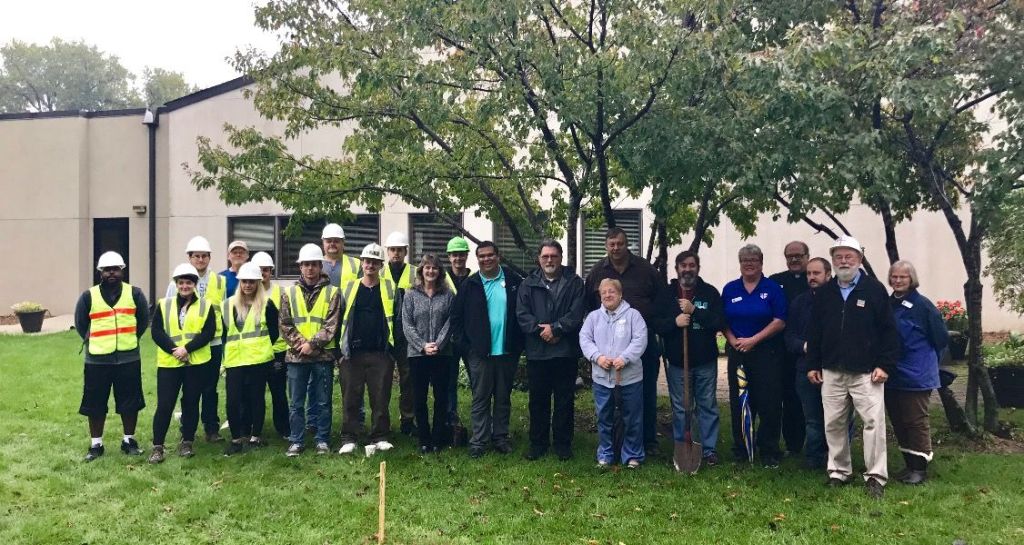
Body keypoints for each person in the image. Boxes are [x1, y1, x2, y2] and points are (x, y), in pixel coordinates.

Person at [806, 235, 901, 499]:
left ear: (859, 258)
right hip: (832, 370)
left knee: (873, 423)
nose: (844, 261)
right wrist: (813, 363)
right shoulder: (825, 292)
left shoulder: (873, 289)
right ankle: (838, 472)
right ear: (833, 261)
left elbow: (889, 331)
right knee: (833, 423)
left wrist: (885, 364)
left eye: (849, 256)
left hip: (867, 372)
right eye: (838, 257)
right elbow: (815, 331)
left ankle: (876, 477)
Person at [584, 228, 663, 456]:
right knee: (608, 401)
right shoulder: (598, 271)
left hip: (642, 342)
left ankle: (647, 442)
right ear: (606, 246)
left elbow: (661, 300)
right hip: (606, 346)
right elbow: (589, 303)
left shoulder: (645, 269)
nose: (616, 248)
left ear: (627, 244)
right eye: (611, 244)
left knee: (643, 395)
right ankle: (614, 445)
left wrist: (656, 326)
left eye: (620, 243)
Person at [74, 251, 150, 462]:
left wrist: (128, 340)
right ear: (100, 272)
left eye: (115, 269)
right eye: (107, 270)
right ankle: (96, 444)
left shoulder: (135, 294)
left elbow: (143, 321)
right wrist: (96, 341)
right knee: (95, 403)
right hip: (97, 359)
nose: (111, 273)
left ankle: (129, 440)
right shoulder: (88, 296)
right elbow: (81, 324)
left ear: (122, 271)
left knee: (130, 401)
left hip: (128, 358)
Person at [451, 241, 524, 458]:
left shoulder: (513, 281)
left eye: (490, 255)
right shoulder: (470, 285)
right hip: (480, 353)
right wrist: (467, 348)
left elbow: (523, 312)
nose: (486, 259)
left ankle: (500, 437)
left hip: (507, 351)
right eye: (481, 256)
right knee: (480, 398)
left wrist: (518, 344)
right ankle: (479, 440)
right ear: (477, 259)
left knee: (503, 397)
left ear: (498, 256)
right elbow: (456, 319)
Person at [517, 239, 586, 461]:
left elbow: (576, 313)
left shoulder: (574, 282)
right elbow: (522, 314)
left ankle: (563, 444)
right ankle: (538, 444)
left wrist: (556, 329)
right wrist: (542, 332)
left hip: (565, 350)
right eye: (545, 256)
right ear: (539, 259)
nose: (549, 260)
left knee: (564, 400)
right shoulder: (528, 284)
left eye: (553, 256)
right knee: (538, 400)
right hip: (538, 352)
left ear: (560, 257)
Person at [653, 250, 723, 466]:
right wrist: (674, 322)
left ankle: (709, 449)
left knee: (707, 404)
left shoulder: (709, 293)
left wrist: (694, 311)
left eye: (692, 265)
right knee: (682, 406)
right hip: (677, 362)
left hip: (705, 360)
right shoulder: (666, 294)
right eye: (683, 265)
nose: (687, 269)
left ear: (698, 268)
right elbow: (656, 323)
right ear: (677, 269)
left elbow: (719, 322)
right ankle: (683, 444)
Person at [721, 244, 787, 468]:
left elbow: (779, 321)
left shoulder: (773, 288)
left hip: (766, 353)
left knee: (769, 403)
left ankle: (769, 450)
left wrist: (754, 340)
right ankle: (741, 450)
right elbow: (723, 321)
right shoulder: (730, 289)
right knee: (740, 402)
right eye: (744, 260)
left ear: (761, 262)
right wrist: (732, 340)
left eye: (753, 259)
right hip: (738, 354)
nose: (749, 263)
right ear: (739, 264)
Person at [148, 263, 217, 463]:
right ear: (176, 284)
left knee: (191, 403)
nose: (185, 286)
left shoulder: (205, 305)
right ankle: (157, 447)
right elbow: (157, 331)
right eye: (181, 282)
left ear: (195, 284)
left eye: (188, 282)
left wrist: (187, 349)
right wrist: (174, 350)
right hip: (169, 363)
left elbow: (208, 332)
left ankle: (187, 442)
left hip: (195, 363)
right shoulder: (164, 304)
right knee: (165, 404)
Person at [887, 260, 948, 484]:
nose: (898, 280)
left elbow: (940, 338)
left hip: (916, 374)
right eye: (894, 276)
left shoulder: (924, 306)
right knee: (899, 421)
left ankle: (920, 469)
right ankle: (908, 465)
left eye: (903, 276)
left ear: (912, 279)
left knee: (915, 421)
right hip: (892, 373)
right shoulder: (888, 304)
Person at [279, 243, 342, 457]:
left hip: (322, 356)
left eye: (314, 265)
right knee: (296, 403)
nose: (309, 269)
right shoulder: (288, 292)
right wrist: (301, 346)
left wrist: (312, 345)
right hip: (297, 357)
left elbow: (331, 324)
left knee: (323, 401)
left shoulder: (332, 292)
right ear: (300, 267)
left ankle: (322, 439)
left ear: (320, 266)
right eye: (306, 265)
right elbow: (285, 324)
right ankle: (296, 440)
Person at [337, 243, 399, 454]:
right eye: (367, 261)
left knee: (381, 396)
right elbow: (339, 320)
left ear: (381, 265)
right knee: (350, 397)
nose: (370, 265)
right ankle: (349, 437)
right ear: (362, 263)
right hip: (352, 353)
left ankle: (380, 435)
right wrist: (340, 352)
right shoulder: (348, 287)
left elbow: (396, 320)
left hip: (381, 352)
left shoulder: (390, 288)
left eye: (375, 262)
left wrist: (393, 351)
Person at [579, 279, 648, 469]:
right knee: (604, 417)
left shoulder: (634, 316)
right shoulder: (593, 318)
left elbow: (640, 340)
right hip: (602, 379)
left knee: (632, 417)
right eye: (604, 293)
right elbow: (585, 339)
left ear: (620, 294)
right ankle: (606, 454)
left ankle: (632, 455)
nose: (608, 295)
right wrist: (597, 357)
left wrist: (625, 358)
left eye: (612, 292)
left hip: (630, 378)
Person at [165, 235, 228, 443]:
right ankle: (187, 430)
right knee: (190, 390)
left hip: (214, 342)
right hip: (187, 345)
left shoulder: (220, 281)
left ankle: (211, 429)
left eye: (204, 256)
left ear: (210, 258)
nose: (200, 260)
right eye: (196, 256)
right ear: (189, 257)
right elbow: (168, 312)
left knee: (210, 388)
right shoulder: (178, 282)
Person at [221, 262, 279, 456]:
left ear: (258, 283)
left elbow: (274, 331)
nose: (248, 285)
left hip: (258, 359)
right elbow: (223, 333)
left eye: (252, 282)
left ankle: (255, 436)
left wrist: (259, 348)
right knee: (233, 400)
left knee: (256, 399)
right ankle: (236, 438)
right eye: (244, 281)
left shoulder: (267, 304)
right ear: (240, 283)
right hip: (235, 360)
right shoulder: (228, 305)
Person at [402, 254, 456, 454]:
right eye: (427, 268)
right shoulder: (410, 295)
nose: (431, 271)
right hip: (417, 355)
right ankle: (424, 439)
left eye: (434, 268)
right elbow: (407, 324)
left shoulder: (448, 295)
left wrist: (438, 345)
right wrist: (423, 346)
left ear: (440, 272)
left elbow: (451, 322)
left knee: (441, 398)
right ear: (421, 271)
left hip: (442, 354)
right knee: (420, 398)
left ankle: (438, 438)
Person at [784, 257, 833, 469]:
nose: (811, 278)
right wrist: (804, 346)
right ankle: (814, 459)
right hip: (804, 368)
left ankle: (837, 459)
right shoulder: (799, 302)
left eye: (816, 273)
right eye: (809, 274)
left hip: (834, 369)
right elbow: (789, 336)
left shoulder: (839, 300)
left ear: (828, 275)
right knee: (812, 418)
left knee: (837, 419)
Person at [769, 241, 810, 457]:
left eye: (798, 255)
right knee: (787, 398)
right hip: (782, 352)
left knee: (810, 400)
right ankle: (793, 446)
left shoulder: (815, 279)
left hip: (808, 352)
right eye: (790, 256)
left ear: (807, 256)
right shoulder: (776, 282)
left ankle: (815, 446)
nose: (794, 259)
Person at [381, 231, 418, 436]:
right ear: (388, 252)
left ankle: (407, 421)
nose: (396, 253)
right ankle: (382, 423)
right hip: (385, 336)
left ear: (405, 252)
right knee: (382, 382)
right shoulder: (378, 272)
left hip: (407, 337)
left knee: (408, 380)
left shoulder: (415, 273)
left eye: (399, 250)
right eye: (392, 250)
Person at [253, 251, 291, 440]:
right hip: (256, 350)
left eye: (266, 270)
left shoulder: (280, 292)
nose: (262, 274)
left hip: (278, 350)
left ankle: (283, 428)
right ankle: (254, 429)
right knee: (255, 392)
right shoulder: (247, 291)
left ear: (271, 271)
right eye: (259, 270)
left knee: (278, 392)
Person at [444, 236, 473, 436]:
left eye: (462, 254)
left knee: (477, 382)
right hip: (447, 339)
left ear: (466, 256)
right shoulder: (441, 279)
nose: (458, 258)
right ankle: (450, 421)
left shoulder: (474, 280)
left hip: (470, 339)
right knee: (449, 383)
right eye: (455, 255)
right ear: (449, 257)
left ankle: (480, 422)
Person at [321, 223, 360, 287]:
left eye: (336, 241)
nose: (332, 244)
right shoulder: (315, 264)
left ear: (343, 243)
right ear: (323, 243)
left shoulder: (356, 264)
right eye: (329, 241)